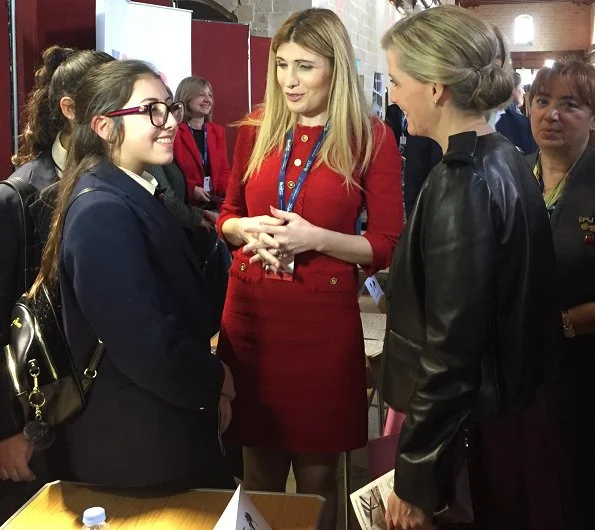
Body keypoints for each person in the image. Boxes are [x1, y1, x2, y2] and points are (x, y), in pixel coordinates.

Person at [216, 8, 403, 528]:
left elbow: (387, 243)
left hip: (321, 323)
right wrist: (246, 228)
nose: (289, 81)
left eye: (304, 66)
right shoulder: (256, 130)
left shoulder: (370, 137)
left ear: (335, 68)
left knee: (319, 476)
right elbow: (226, 218)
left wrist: (314, 238)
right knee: (258, 469)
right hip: (251, 313)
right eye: (281, 65)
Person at [381, 6, 564, 530]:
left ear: (436, 87)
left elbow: (452, 347)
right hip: (508, 413)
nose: (393, 95)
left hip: (469, 428)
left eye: (397, 81)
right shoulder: (505, 156)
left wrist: (415, 477)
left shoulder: (461, 180)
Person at [31, 59, 235, 490]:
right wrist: (214, 380)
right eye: (151, 111)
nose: (169, 123)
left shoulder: (132, 188)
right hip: (141, 443)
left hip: (159, 429)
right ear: (105, 126)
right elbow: (147, 343)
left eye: (169, 108)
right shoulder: (101, 209)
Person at [0, 46, 113, 524]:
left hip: (106, 414)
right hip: (38, 418)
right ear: (69, 109)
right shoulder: (19, 196)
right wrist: (8, 430)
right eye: (110, 105)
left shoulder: (125, 181)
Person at [527, 59, 595, 530]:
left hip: (585, 375)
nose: (551, 114)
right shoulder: (511, 176)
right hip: (522, 375)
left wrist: (567, 323)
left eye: (569, 104)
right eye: (543, 101)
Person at [174, 76, 231, 209]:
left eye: (210, 95)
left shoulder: (217, 131)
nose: (208, 99)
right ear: (186, 98)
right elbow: (171, 174)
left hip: (214, 203)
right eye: (201, 95)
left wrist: (233, 194)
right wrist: (191, 189)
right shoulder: (174, 131)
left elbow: (224, 171)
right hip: (186, 205)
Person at [496, 71, 538, 154]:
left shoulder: (511, 115)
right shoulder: (508, 119)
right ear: (512, 89)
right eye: (521, 87)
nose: (524, 92)